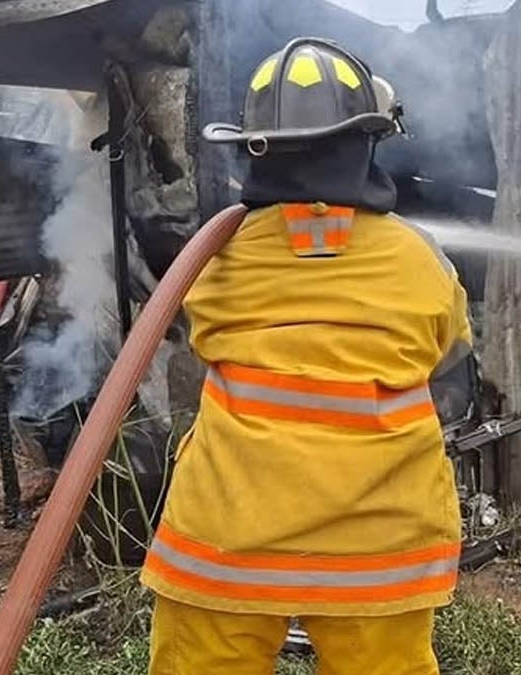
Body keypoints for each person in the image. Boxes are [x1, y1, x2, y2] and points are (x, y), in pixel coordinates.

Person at [140, 37, 472, 675]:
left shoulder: (215, 259)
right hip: (377, 548)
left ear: (253, 148)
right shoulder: (420, 260)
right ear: (366, 140)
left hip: (228, 540)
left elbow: (198, 338)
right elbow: (450, 370)